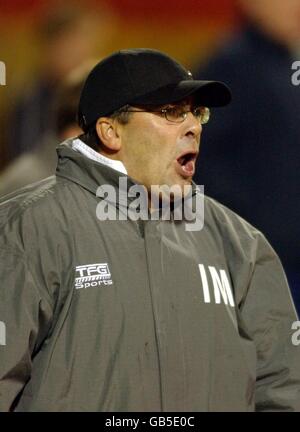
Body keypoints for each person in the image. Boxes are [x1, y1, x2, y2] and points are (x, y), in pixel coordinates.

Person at [0, 49, 299, 412]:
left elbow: (283, 387)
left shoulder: (240, 243)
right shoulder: (29, 229)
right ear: (110, 132)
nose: (195, 126)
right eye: (171, 112)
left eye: (197, 112)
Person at [192, 0, 300, 313]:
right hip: (261, 263)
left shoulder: (285, 64)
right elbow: (198, 159)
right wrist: (254, 220)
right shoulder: (230, 66)